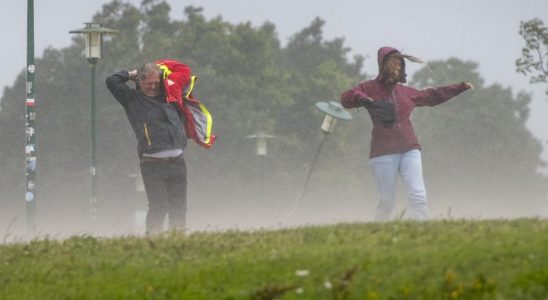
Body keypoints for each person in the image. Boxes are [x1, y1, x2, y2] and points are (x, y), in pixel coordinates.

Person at [341, 46, 473, 221]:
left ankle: (424, 232)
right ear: (382, 64)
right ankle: (378, 232)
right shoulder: (368, 87)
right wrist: (363, 99)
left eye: (399, 63)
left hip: (410, 150)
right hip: (383, 153)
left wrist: (459, 87)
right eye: (392, 62)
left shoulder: (405, 92)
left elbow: (432, 95)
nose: (396, 66)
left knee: (418, 195)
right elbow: (347, 97)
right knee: (387, 201)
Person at [106, 63, 189, 234]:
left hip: (178, 163)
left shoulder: (169, 95)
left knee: (179, 208)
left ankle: (178, 241)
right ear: (140, 82)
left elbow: (184, 76)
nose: (153, 87)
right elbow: (112, 81)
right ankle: (153, 241)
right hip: (152, 164)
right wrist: (129, 74)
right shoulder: (132, 99)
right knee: (159, 207)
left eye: (156, 84)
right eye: (149, 83)